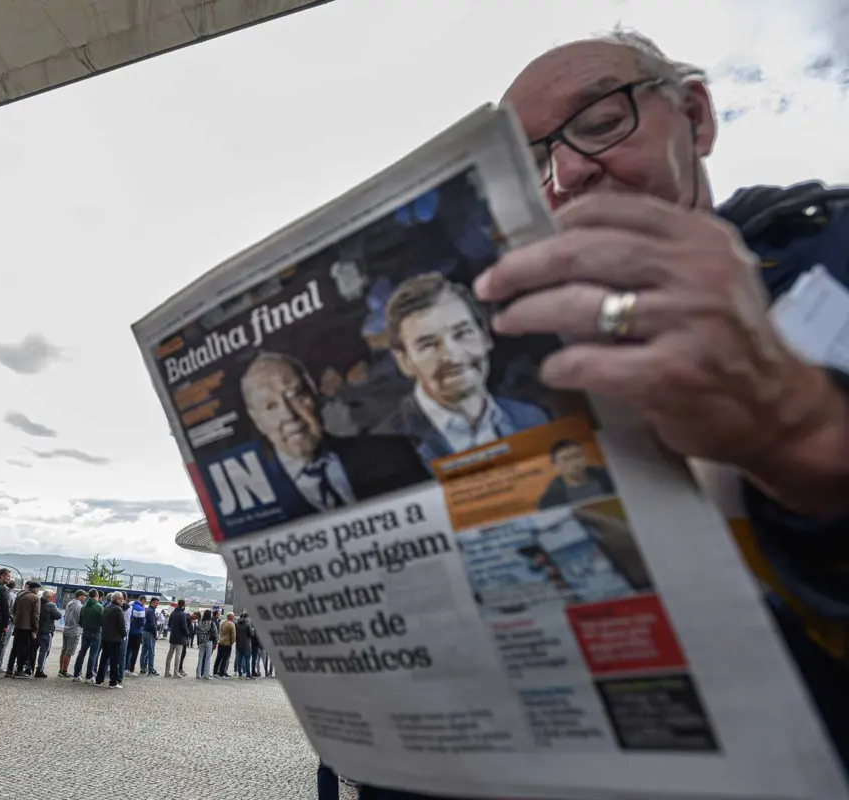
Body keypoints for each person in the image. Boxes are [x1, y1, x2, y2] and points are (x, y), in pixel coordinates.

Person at [333, 29, 849, 800]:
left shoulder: (830, 256)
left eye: (603, 121)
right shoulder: (499, 354)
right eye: (531, 158)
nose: (569, 172)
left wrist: (803, 434)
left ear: (697, 118)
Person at [379, 273, 550, 465]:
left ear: (485, 337)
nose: (452, 355)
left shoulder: (532, 419)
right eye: (428, 344)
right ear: (404, 361)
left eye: (462, 333)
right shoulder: (383, 451)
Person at [242, 352, 430, 516]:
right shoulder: (250, 498)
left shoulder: (394, 453)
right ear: (257, 421)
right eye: (270, 406)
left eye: (296, 396)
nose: (289, 415)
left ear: (315, 396)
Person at [537, 438, 616, 509]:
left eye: (577, 456)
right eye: (566, 459)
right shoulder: (550, 499)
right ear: (556, 466)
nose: (574, 463)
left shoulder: (609, 476)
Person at [95, 591, 126, 688]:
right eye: (121, 599)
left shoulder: (106, 607)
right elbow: (121, 625)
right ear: (117, 599)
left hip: (105, 637)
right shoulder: (118, 610)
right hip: (115, 639)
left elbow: (101, 622)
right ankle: (113, 682)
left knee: (103, 659)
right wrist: (123, 635)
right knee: (114, 661)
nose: (123, 601)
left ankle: (99, 680)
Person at [71, 589, 103, 682]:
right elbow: (102, 621)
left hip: (86, 631)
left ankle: (76, 674)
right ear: (96, 596)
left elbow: (80, 622)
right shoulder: (99, 607)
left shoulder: (84, 607)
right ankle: (89, 676)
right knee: (93, 654)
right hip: (96, 632)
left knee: (82, 653)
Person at [33, 590, 63, 678]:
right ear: (49, 597)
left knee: (33, 650)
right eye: (52, 596)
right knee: (44, 651)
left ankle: (28, 667)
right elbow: (59, 616)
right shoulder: (51, 605)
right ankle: (39, 670)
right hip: (46, 631)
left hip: (36, 630)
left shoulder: (37, 602)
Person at [58, 589, 85, 678]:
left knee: (64, 650)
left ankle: (60, 669)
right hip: (74, 630)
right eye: (84, 596)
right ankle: (64, 671)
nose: (85, 598)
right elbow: (80, 620)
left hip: (66, 629)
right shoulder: (80, 606)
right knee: (69, 652)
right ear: (80, 596)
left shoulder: (69, 603)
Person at [164, 600, 191, 678]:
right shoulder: (182, 614)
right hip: (180, 638)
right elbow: (184, 626)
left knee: (170, 654)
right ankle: (176, 673)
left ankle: (167, 672)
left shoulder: (172, 613)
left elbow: (169, 624)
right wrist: (187, 633)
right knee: (178, 655)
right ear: (183, 605)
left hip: (173, 636)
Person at [138, 596, 161, 675]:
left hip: (145, 632)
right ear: (152, 602)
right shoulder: (151, 611)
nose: (157, 605)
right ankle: (150, 670)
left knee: (144, 651)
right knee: (151, 652)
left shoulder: (147, 610)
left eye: (158, 603)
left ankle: (143, 668)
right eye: (156, 603)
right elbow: (152, 624)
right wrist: (155, 634)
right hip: (150, 633)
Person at [194, 609, 218, 679]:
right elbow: (216, 633)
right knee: (208, 658)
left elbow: (197, 632)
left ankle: (198, 674)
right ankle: (206, 675)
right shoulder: (211, 623)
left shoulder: (200, 622)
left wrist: (198, 642)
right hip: (209, 642)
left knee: (200, 658)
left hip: (201, 642)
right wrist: (215, 642)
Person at [125, 595, 147, 673]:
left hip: (128, 632)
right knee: (134, 652)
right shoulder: (140, 609)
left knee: (127, 651)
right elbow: (142, 623)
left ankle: (125, 668)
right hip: (137, 633)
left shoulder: (130, 606)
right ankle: (131, 669)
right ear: (142, 600)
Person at [214, 612, 236, 679]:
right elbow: (233, 635)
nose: (233, 618)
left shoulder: (222, 622)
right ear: (230, 617)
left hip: (220, 642)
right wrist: (231, 643)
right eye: (233, 617)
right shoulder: (231, 624)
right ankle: (221, 673)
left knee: (218, 657)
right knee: (225, 659)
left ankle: (215, 672)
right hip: (227, 643)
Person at [234, 613, 255, 679]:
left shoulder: (236, 624)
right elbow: (251, 635)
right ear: (247, 618)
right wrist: (252, 630)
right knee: (247, 660)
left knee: (239, 660)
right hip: (246, 645)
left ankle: (240, 674)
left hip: (238, 645)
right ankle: (248, 674)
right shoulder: (247, 625)